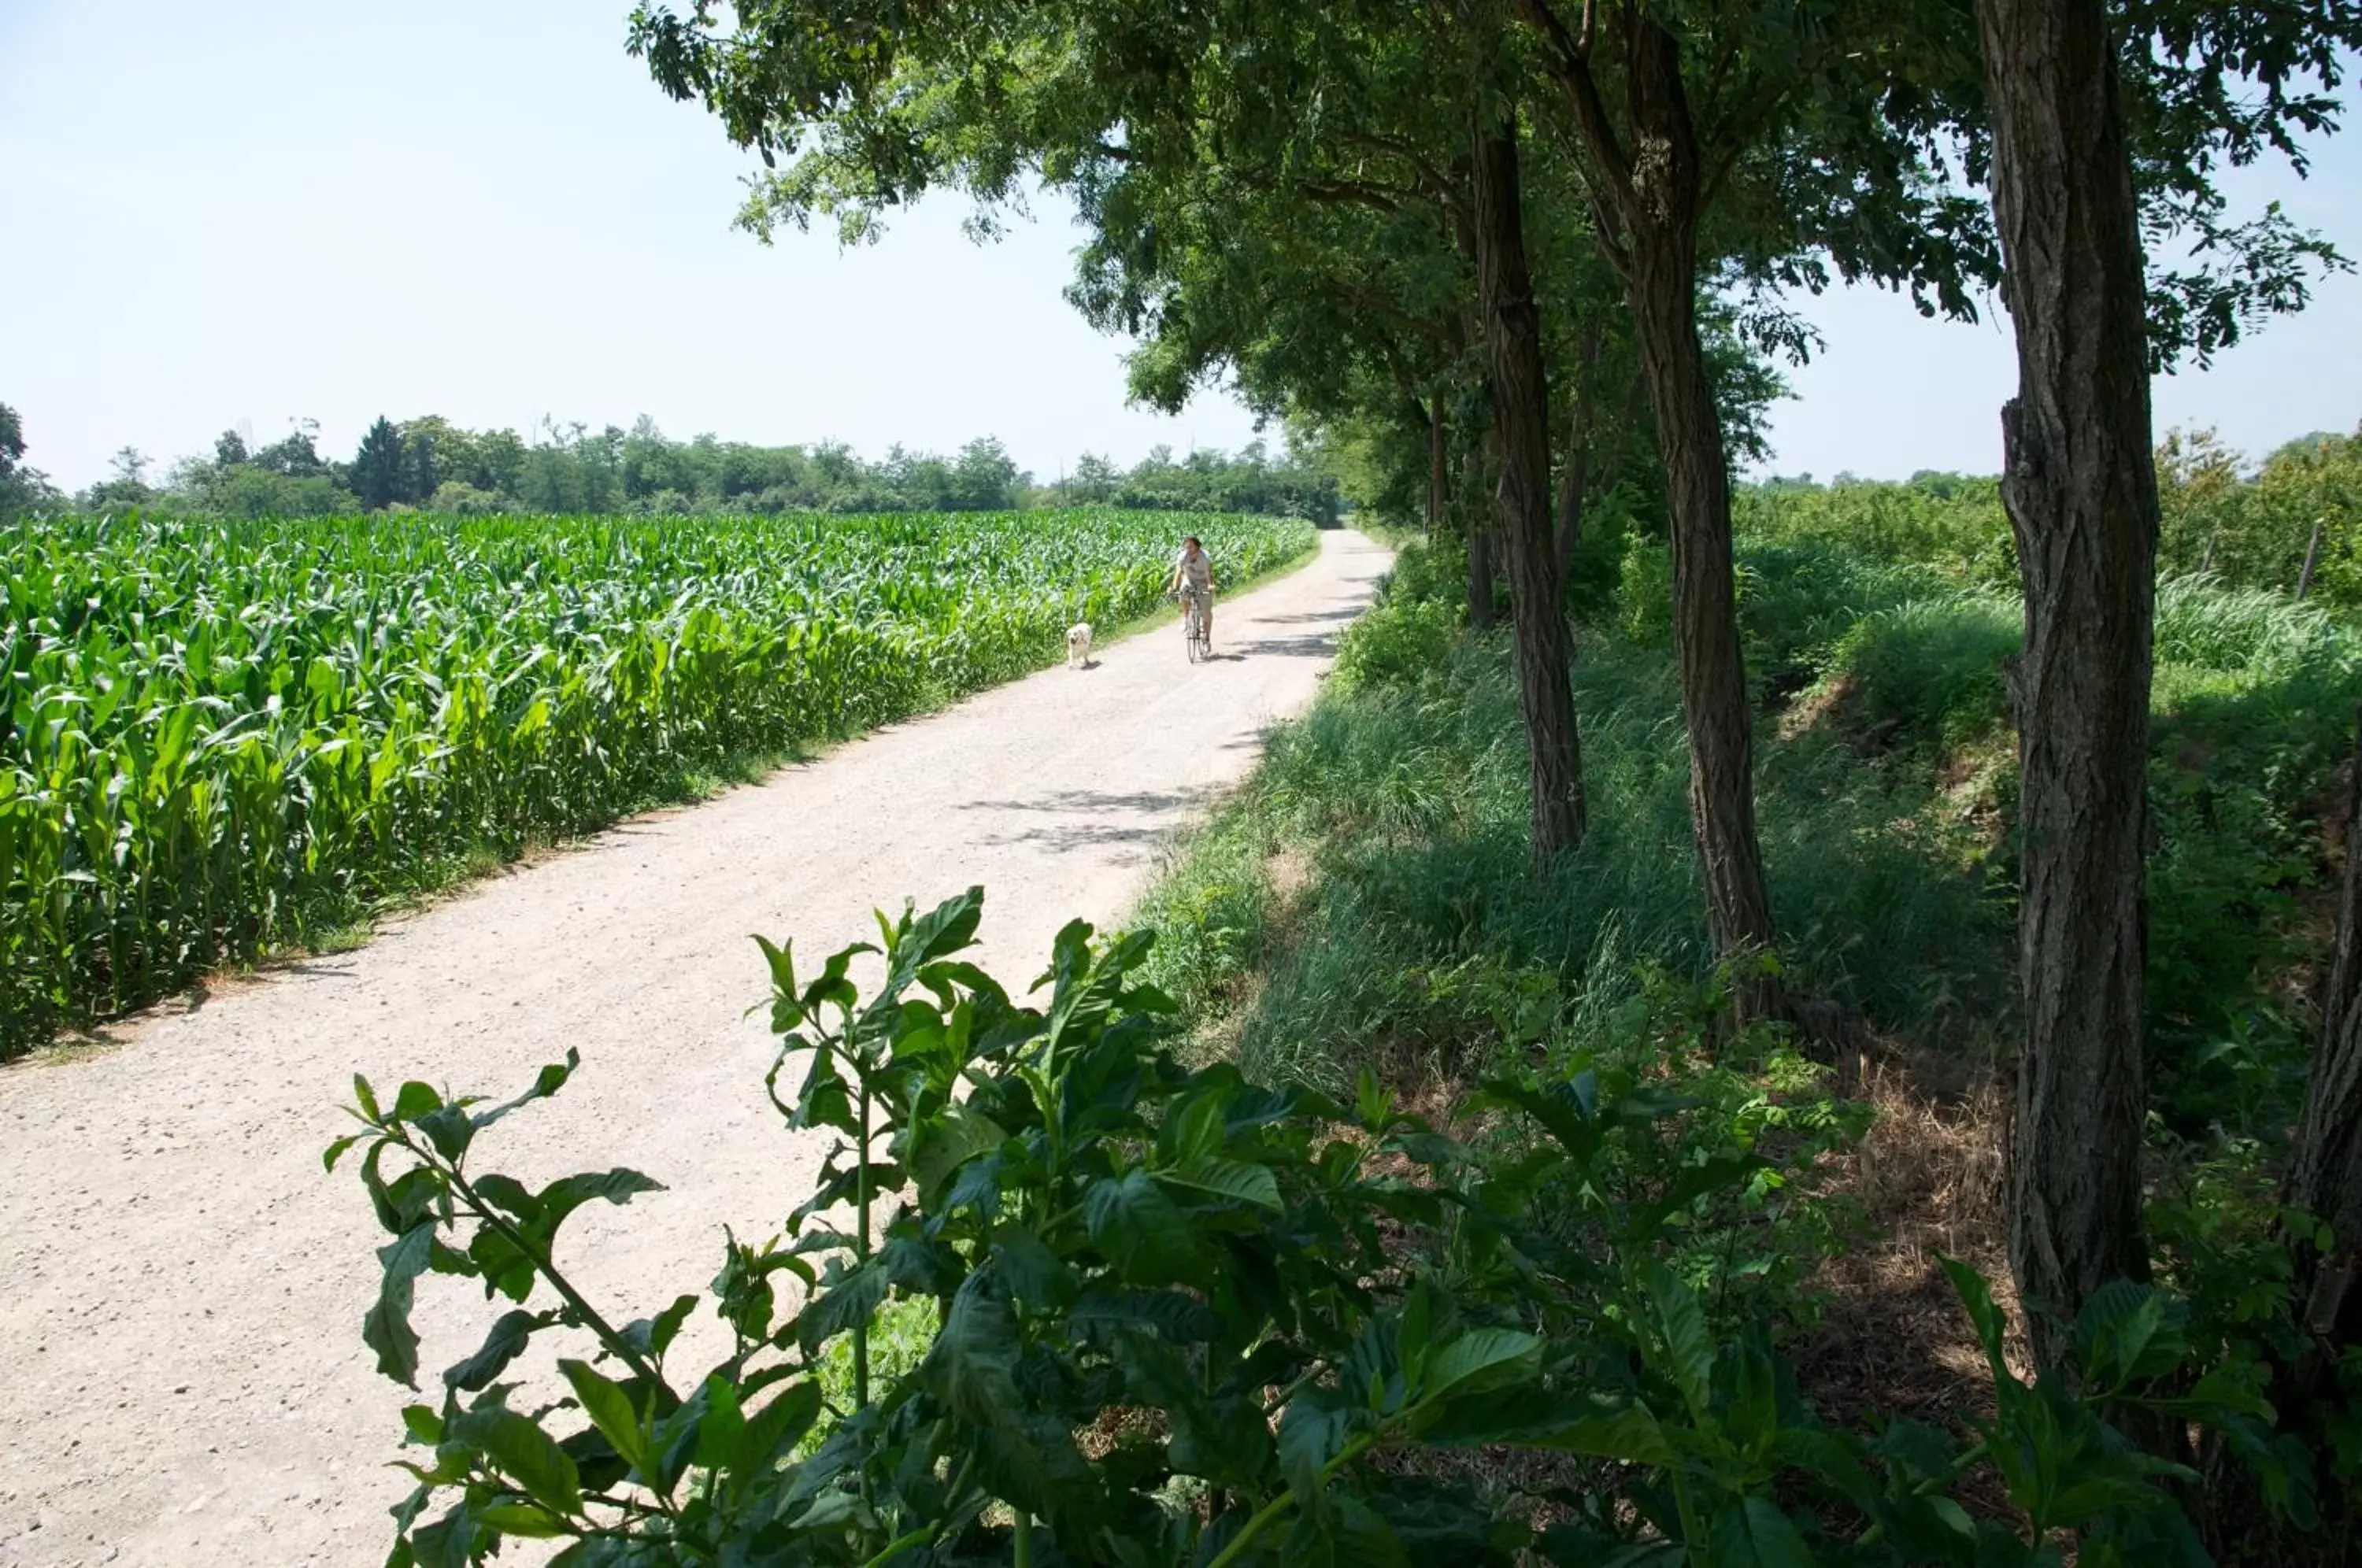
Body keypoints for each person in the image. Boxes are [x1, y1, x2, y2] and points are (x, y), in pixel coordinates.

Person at [1168, 534, 1216, 647]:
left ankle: (1207, 637)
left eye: (1191, 547)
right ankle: (1186, 619)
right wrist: (1174, 587)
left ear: (1197, 547)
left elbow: (1207, 573)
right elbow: (1178, 572)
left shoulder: (1204, 557)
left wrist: (1209, 585)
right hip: (1189, 579)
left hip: (1203, 581)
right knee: (1183, 590)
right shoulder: (1183, 556)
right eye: (1186, 547)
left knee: (1206, 613)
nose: (1188, 550)